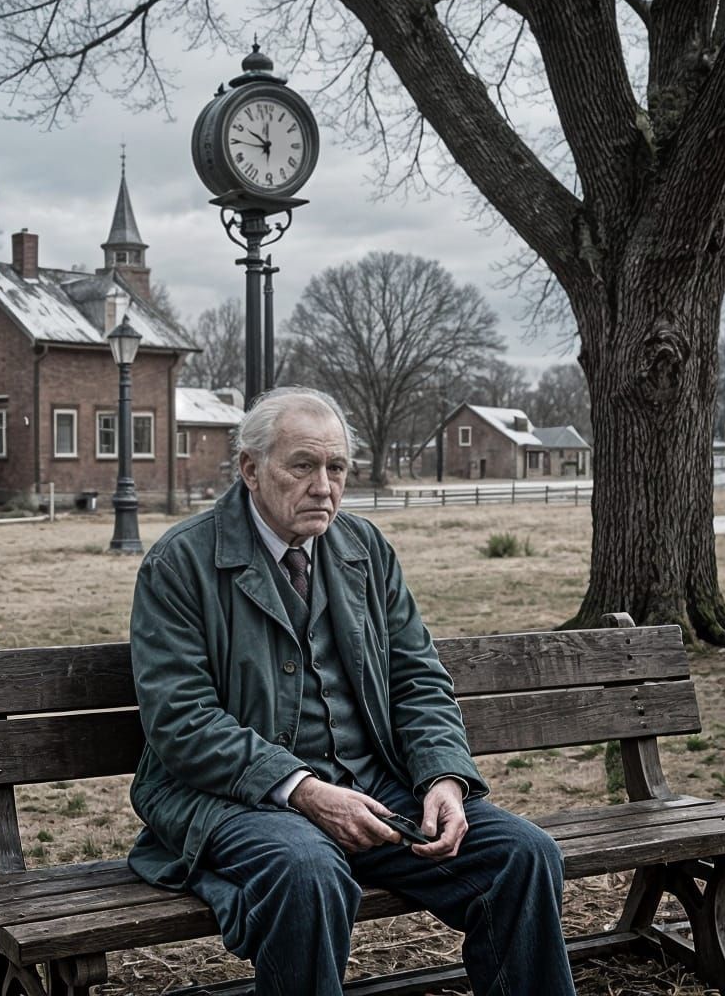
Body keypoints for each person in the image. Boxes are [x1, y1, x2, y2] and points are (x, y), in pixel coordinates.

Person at [128, 387, 576, 996]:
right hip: (235, 799)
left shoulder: (365, 550)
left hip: (375, 788)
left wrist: (443, 777)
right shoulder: (180, 564)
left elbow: (418, 678)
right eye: (303, 466)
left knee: (524, 856)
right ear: (251, 470)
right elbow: (181, 721)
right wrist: (305, 792)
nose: (324, 487)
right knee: (308, 870)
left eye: (336, 468)